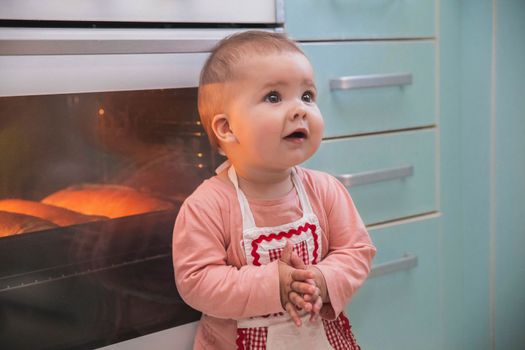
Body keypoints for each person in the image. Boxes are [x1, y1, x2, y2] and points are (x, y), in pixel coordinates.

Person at [172, 30, 376, 349]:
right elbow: (196, 281)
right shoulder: (207, 205)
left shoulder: (326, 190)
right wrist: (273, 286)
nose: (300, 110)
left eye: (307, 96)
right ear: (227, 128)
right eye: (274, 97)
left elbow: (357, 251)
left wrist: (323, 280)